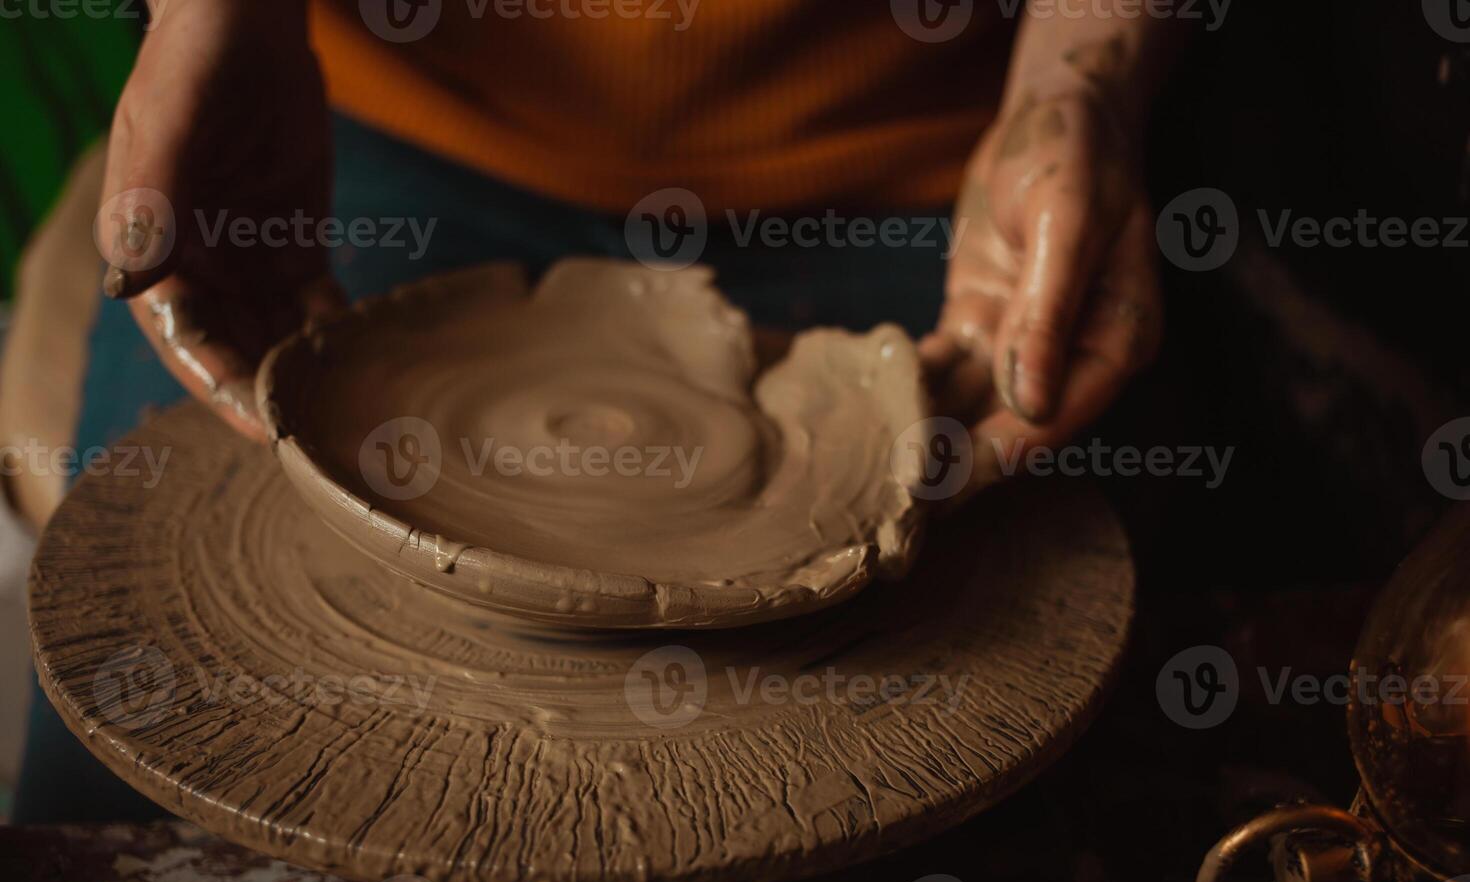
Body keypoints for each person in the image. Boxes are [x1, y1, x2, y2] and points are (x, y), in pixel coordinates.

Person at [97, 0, 1175, 495]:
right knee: (140, 849)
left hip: (919, 160)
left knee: (925, 823)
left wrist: (1083, 72)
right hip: (355, 109)